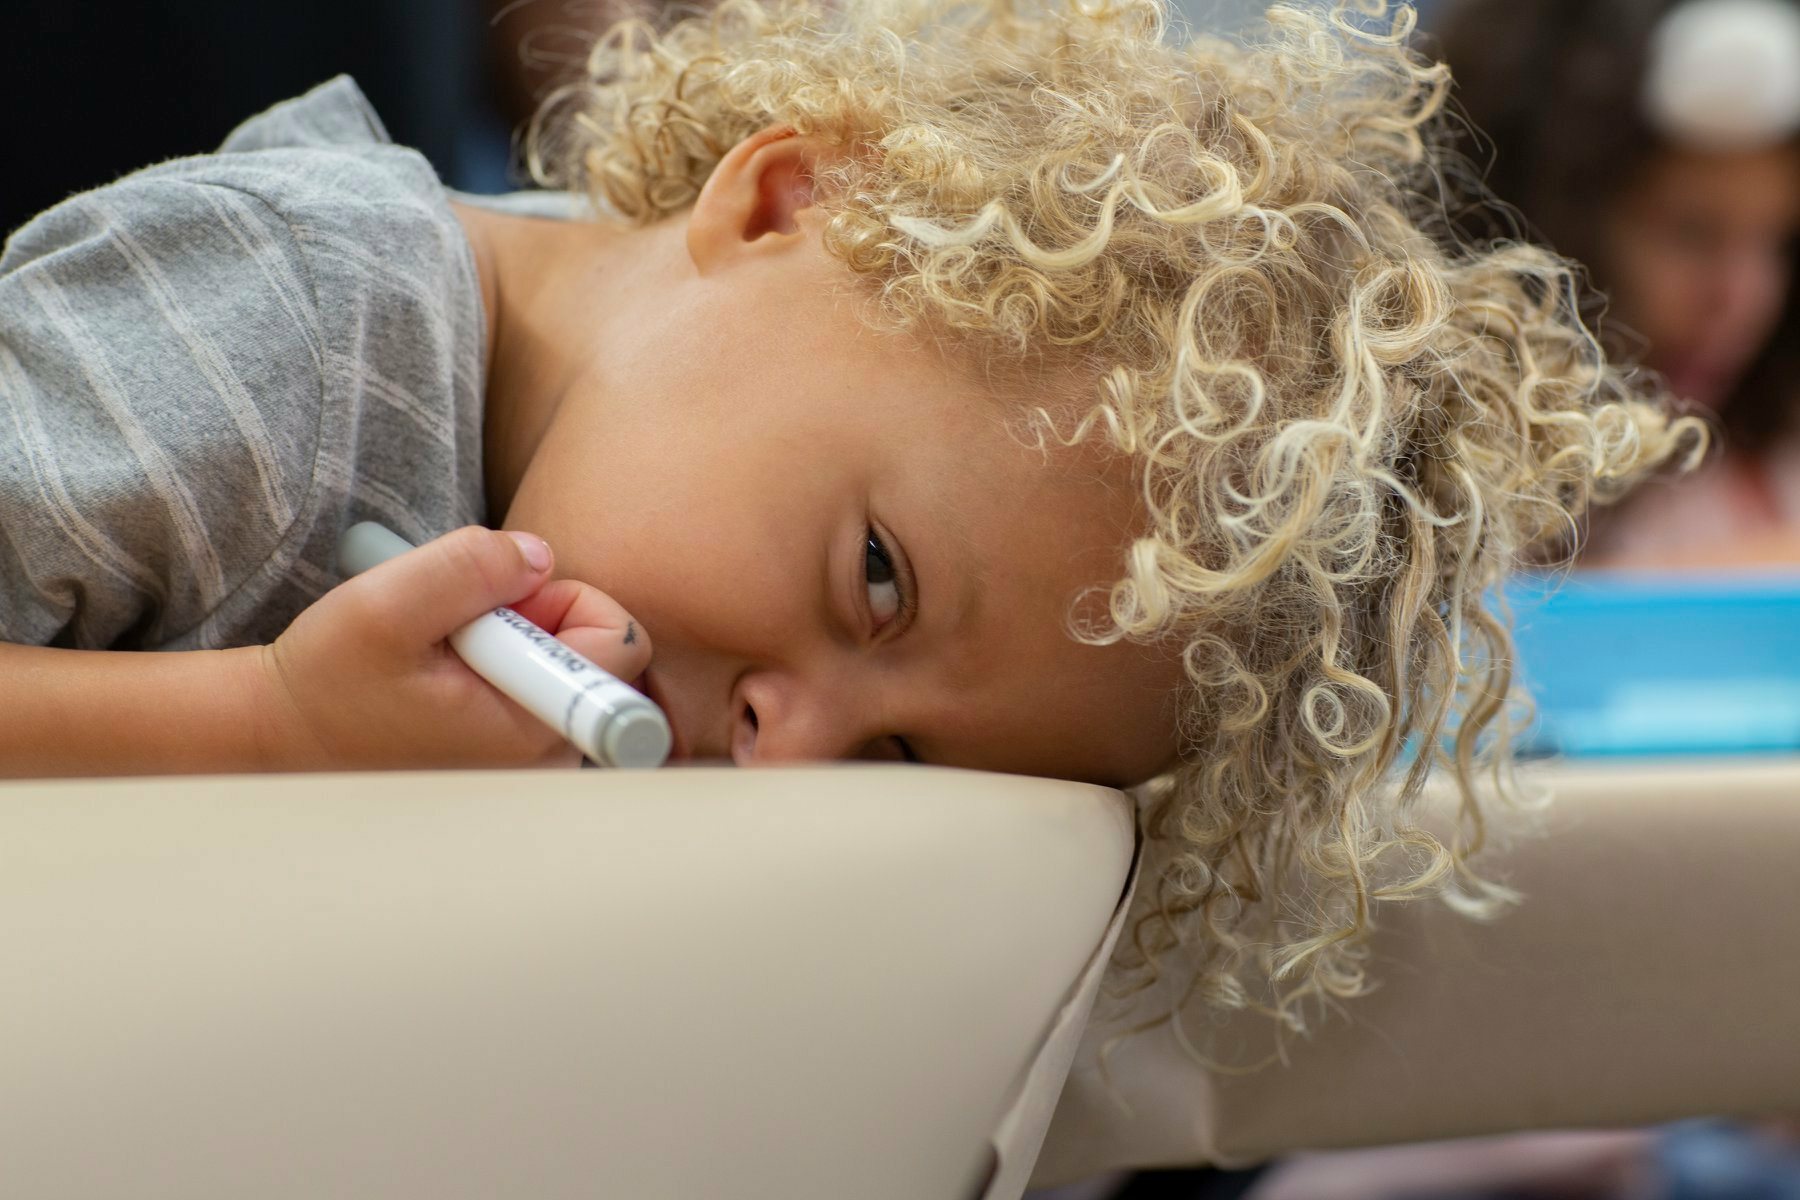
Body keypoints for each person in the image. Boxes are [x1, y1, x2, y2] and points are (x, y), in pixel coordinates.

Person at [0, 0, 1699, 1023]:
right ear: (791, 202)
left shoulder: (632, 501)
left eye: (900, 764)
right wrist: (270, 732)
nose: (788, 752)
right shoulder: (284, 325)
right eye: (875, 580)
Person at [1439, 0, 1800, 566]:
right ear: (1542, 227)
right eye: (1692, 233)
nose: (1743, 299)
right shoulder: (1438, 509)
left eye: (1778, 242)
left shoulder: (1781, 471)